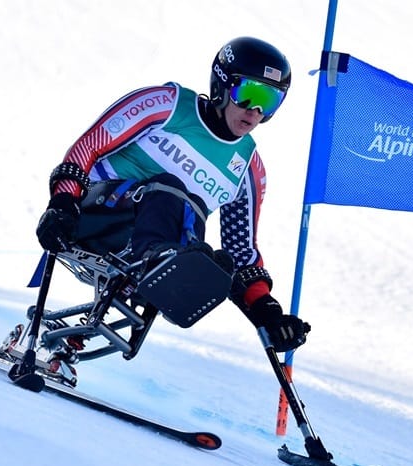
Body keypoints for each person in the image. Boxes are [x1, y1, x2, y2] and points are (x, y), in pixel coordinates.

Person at [35, 36, 308, 353]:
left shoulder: (248, 169)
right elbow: (87, 147)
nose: (255, 111)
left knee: (215, 254)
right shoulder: (165, 105)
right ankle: (166, 264)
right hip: (95, 214)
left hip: (153, 248)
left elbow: (243, 251)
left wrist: (268, 312)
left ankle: (173, 271)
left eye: (270, 101)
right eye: (248, 94)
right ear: (221, 85)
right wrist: (62, 204)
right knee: (171, 189)